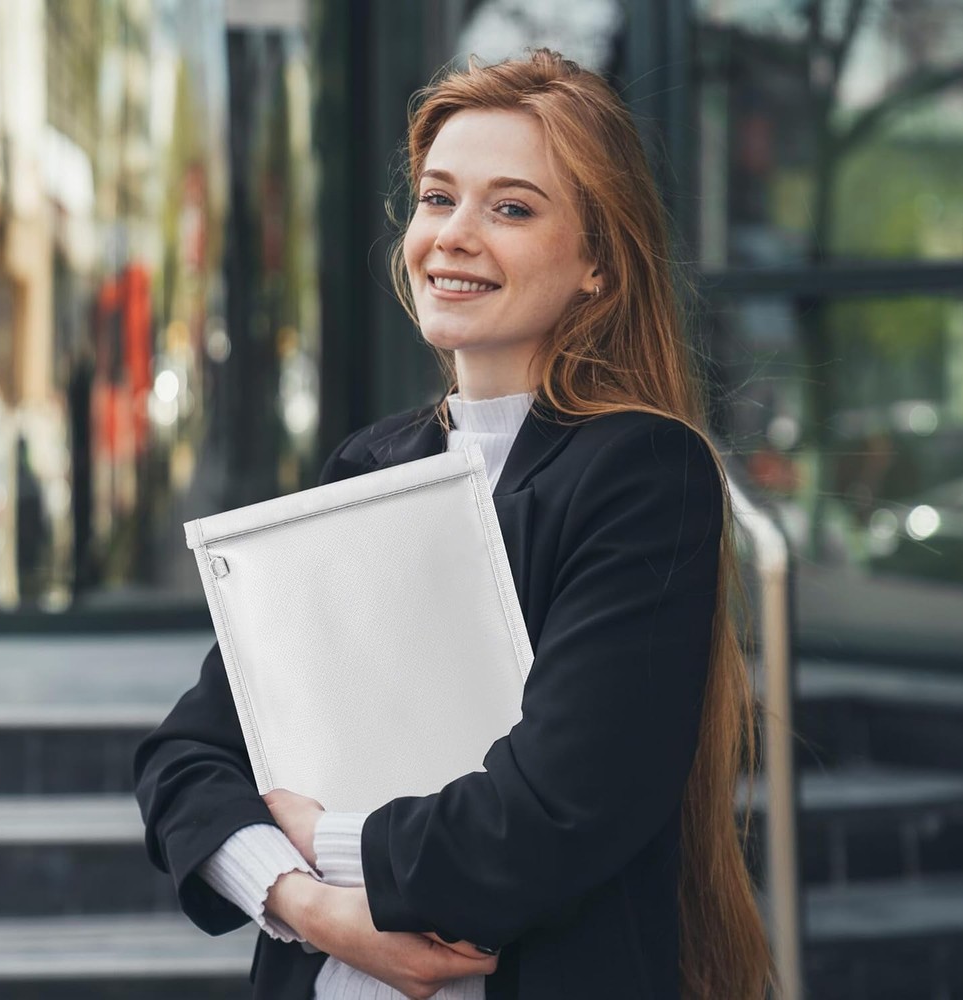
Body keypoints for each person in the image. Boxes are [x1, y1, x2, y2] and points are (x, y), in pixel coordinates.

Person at [135, 49, 774, 1000]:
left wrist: (324, 840)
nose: (454, 236)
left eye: (511, 208)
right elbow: (188, 757)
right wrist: (310, 907)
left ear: (599, 263)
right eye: (438, 199)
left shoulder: (644, 472)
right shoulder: (370, 465)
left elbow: (558, 808)